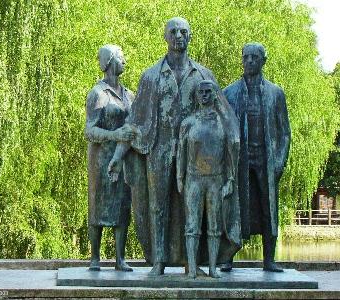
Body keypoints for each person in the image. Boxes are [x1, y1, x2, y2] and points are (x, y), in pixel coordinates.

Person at [109, 17, 239, 276]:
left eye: (184, 32)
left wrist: (231, 155)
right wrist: (117, 156)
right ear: (165, 37)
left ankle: (192, 263)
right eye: (173, 32)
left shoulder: (204, 76)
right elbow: (134, 123)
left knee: (190, 208)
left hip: (195, 154)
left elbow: (226, 117)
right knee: (158, 205)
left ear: (190, 37)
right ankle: (159, 261)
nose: (179, 36)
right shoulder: (151, 76)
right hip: (159, 148)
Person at [221, 42, 291, 272]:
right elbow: (222, 129)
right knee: (235, 206)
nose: (250, 61)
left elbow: (284, 133)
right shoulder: (229, 93)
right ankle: (228, 255)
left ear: (263, 61)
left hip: (266, 159)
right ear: (241, 60)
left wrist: (280, 161)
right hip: (239, 160)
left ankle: (269, 260)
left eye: (254, 57)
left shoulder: (275, 93)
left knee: (268, 207)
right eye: (246, 57)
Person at [177, 80, 241, 278]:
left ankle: (213, 268)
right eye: (200, 92)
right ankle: (192, 268)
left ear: (215, 95)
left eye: (208, 92)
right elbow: (181, 152)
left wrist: (230, 179)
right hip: (193, 180)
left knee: (214, 226)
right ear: (196, 96)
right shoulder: (188, 123)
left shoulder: (224, 122)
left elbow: (231, 153)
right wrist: (180, 176)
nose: (204, 95)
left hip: (216, 180)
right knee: (192, 226)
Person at [85, 44, 136, 272]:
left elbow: (133, 126)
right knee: (98, 206)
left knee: (122, 205)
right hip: (100, 159)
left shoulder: (129, 95)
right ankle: (94, 258)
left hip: (122, 158)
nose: (125, 61)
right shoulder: (98, 93)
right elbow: (89, 131)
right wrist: (114, 134)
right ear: (110, 62)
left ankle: (120, 259)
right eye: (121, 58)